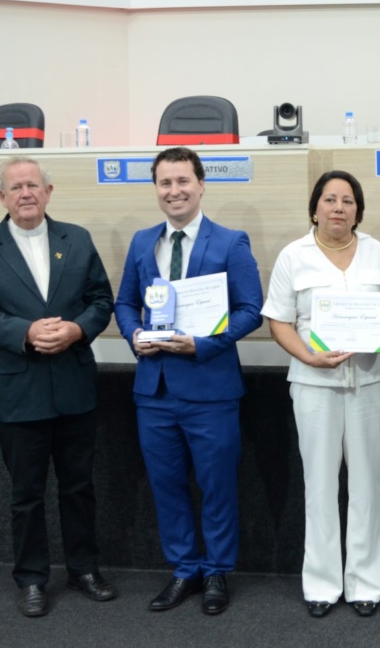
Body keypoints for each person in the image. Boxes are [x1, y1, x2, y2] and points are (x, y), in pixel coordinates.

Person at [0, 156, 117, 617]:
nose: (26, 193)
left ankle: (85, 569)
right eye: (16, 187)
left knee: (78, 487)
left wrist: (78, 330)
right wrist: (23, 333)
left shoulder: (78, 239)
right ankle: (31, 579)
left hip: (74, 386)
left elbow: (100, 300)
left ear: (49, 191)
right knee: (26, 495)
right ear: (1, 197)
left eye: (33, 185)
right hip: (19, 390)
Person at [114, 147, 263, 615]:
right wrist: (134, 333)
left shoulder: (230, 241)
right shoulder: (142, 243)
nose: (174, 191)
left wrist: (204, 344)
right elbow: (123, 303)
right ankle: (184, 569)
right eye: (164, 183)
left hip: (210, 389)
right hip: (154, 391)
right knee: (167, 485)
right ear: (156, 189)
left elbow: (250, 310)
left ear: (201, 185)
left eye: (182, 181)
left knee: (217, 485)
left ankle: (217, 571)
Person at [261, 170, 380, 619]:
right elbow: (279, 320)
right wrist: (308, 356)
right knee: (319, 485)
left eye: (347, 200)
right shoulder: (293, 256)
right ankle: (322, 583)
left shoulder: (378, 253)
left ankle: (365, 583)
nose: (338, 207)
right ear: (315, 207)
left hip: (370, 381)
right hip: (314, 384)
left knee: (367, 484)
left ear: (358, 209)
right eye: (329, 199)